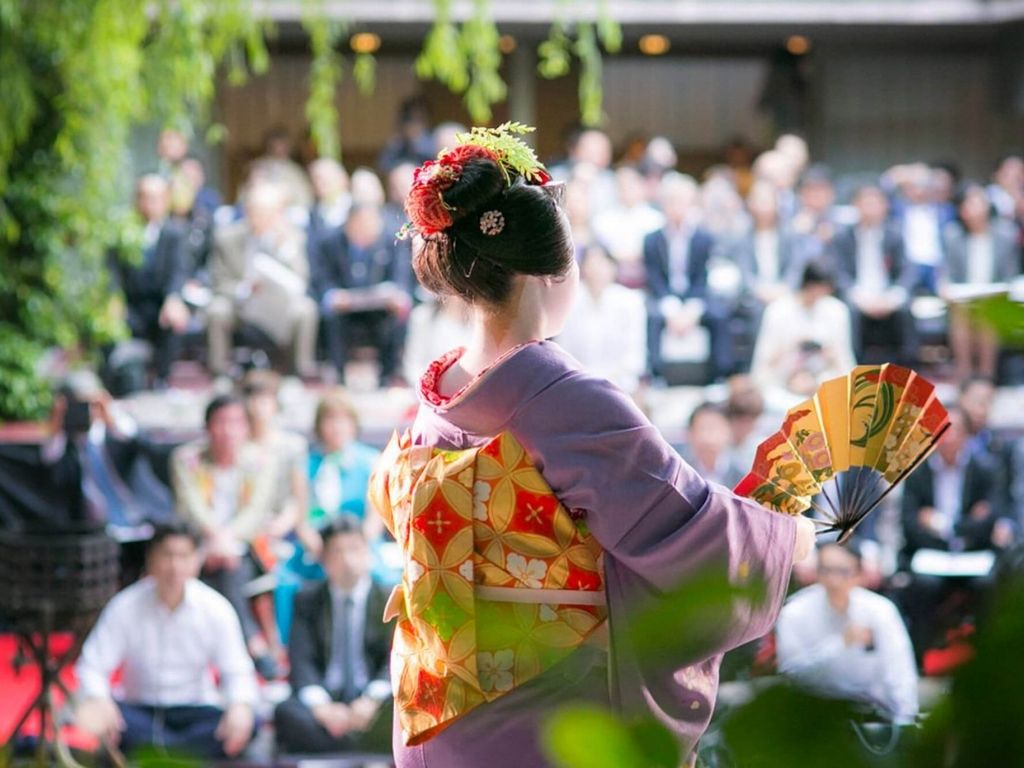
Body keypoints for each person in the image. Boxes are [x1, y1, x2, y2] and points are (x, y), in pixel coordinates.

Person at [371, 130, 815, 767]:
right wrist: (784, 537)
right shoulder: (563, 396)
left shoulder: (442, 392)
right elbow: (691, 538)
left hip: (442, 716)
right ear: (548, 276)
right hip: (545, 719)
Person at [74, 522, 258, 761]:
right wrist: (100, 699)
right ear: (151, 559)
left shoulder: (215, 608)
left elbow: (238, 670)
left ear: (197, 561)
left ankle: (159, 754)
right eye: (167, 555)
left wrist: (240, 705)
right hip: (140, 710)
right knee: (96, 715)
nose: (175, 566)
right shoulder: (125, 606)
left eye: (183, 556)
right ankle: (179, 755)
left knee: (247, 722)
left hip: (196, 710)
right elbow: (92, 666)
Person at [170, 394, 285, 678]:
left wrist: (226, 541)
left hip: (244, 547)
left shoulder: (261, 461)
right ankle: (252, 644)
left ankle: (227, 650)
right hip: (198, 544)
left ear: (246, 427)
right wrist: (215, 539)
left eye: (235, 422)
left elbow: (256, 511)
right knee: (217, 570)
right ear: (208, 427)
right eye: (220, 422)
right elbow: (191, 506)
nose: (228, 430)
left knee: (230, 570)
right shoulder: (186, 459)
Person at [274, 517, 393, 754]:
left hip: (371, 701)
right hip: (326, 700)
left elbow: (393, 661)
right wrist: (322, 708)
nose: (348, 560)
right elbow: (301, 661)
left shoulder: (389, 599)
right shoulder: (307, 600)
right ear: (324, 559)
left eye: (355, 549)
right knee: (286, 713)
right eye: (338, 552)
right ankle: (361, 748)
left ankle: (343, 748)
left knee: (403, 713)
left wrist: (371, 701)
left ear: (368, 553)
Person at [776, 543, 918, 724]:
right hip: (813, 710)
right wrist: (840, 644)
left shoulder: (880, 610)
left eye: (843, 571)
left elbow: (899, 668)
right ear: (817, 572)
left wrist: (905, 718)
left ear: (859, 574)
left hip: (869, 708)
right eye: (826, 570)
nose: (834, 580)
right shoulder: (794, 611)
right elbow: (791, 672)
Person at [207, 181, 319, 378]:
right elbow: (218, 282)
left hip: (278, 306)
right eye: (256, 210)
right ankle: (220, 374)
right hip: (240, 304)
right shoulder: (227, 237)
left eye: (269, 212)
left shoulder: (294, 237)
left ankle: (298, 373)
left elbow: (301, 280)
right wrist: (245, 289)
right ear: (247, 210)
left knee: (306, 309)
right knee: (216, 310)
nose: (261, 217)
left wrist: (285, 247)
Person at [311, 204, 412, 385]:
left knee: (397, 317)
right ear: (349, 225)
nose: (366, 232)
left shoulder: (391, 240)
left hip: (380, 307)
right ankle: (339, 375)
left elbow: (401, 276)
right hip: (344, 306)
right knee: (330, 316)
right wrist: (332, 295)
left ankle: (386, 377)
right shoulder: (330, 242)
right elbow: (322, 278)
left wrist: (397, 294)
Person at [644, 173, 731, 381]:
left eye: (684, 202)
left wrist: (691, 310)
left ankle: (720, 375)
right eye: (673, 201)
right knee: (652, 317)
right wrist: (672, 309)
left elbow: (703, 277)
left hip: (696, 297)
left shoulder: (704, 238)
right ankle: (655, 375)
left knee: (719, 315)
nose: (678, 207)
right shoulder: (652, 239)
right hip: (665, 297)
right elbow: (654, 277)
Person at [110, 174, 191, 388]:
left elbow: (178, 271)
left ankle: (162, 379)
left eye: (155, 198)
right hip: (131, 304)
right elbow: (112, 272)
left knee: (174, 319)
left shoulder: (175, 233)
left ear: (165, 200)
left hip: (160, 305)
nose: (149, 203)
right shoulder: (123, 231)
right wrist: (114, 299)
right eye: (144, 197)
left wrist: (173, 299)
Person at [940, 183, 1022, 380]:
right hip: (964, 300)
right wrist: (945, 287)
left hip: (997, 299)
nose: (974, 208)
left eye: (978, 202)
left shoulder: (1005, 234)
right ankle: (964, 373)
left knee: (988, 311)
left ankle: (986, 375)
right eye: (968, 204)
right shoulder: (953, 236)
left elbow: (1011, 276)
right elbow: (947, 275)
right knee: (960, 312)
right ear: (961, 210)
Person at [829, 183, 916, 364]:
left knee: (905, 310)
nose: (871, 209)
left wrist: (893, 296)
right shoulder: (842, 236)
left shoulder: (895, 234)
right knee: (848, 312)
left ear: (885, 206)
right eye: (865, 203)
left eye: (876, 203)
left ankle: (907, 370)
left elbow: (907, 271)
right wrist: (859, 297)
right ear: (856, 206)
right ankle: (854, 369)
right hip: (857, 296)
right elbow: (838, 273)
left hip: (888, 295)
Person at [749, 261, 856, 403]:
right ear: (807, 285)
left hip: (824, 380)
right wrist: (792, 352)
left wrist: (827, 355)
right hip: (783, 380)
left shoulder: (837, 310)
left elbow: (844, 360)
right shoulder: (778, 311)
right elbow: (763, 363)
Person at [556, 242, 646, 395]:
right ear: (581, 269)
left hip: (620, 385)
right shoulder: (568, 301)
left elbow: (634, 357)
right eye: (591, 263)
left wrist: (607, 381)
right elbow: (562, 352)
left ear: (613, 267)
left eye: (602, 263)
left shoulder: (630, 301)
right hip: (578, 383)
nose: (596, 269)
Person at [677, 402, 745, 489]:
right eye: (702, 428)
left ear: (729, 432)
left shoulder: (740, 474)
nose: (708, 436)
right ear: (690, 433)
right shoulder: (679, 471)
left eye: (714, 428)